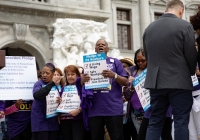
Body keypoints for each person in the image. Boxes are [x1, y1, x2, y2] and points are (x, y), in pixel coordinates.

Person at [143, 0, 197, 140]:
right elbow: (191, 55)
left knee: (155, 121)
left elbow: (147, 56)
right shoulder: (185, 26)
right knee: (181, 121)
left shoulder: (149, 28)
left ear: (166, 9)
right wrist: (191, 72)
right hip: (179, 81)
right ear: (181, 11)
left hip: (156, 82)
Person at [78, 39, 129, 140]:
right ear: (95, 49)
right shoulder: (89, 64)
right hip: (94, 110)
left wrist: (114, 75)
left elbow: (126, 82)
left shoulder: (115, 62)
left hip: (113, 109)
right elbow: (83, 88)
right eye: (98, 45)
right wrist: (81, 81)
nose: (100, 46)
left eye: (103, 44)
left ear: (107, 49)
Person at [31, 63, 63, 140]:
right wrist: (51, 84)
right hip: (40, 122)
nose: (44, 75)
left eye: (47, 73)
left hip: (53, 122)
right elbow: (37, 95)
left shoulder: (57, 86)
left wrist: (60, 101)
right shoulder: (38, 84)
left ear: (53, 73)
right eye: (43, 73)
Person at [59, 65, 86, 140]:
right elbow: (60, 104)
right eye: (68, 75)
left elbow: (87, 102)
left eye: (72, 74)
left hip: (77, 120)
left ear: (77, 75)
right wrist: (59, 101)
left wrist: (79, 110)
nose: (70, 77)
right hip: (64, 120)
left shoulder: (82, 88)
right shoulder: (63, 88)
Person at [119, 57, 137, 140]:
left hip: (132, 114)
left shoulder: (135, 79)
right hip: (119, 117)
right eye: (120, 66)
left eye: (124, 66)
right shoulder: (116, 80)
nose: (122, 69)